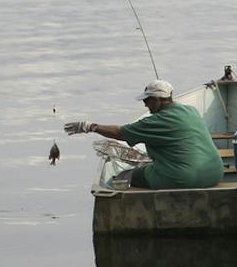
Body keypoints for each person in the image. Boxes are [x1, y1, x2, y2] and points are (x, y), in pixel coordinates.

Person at [64, 80, 222, 189]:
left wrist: (90, 126)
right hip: (215, 173)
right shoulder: (191, 110)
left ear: (158, 100)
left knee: (125, 176)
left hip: (182, 179)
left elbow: (121, 133)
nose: (145, 104)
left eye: (147, 100)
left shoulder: (154, 122)